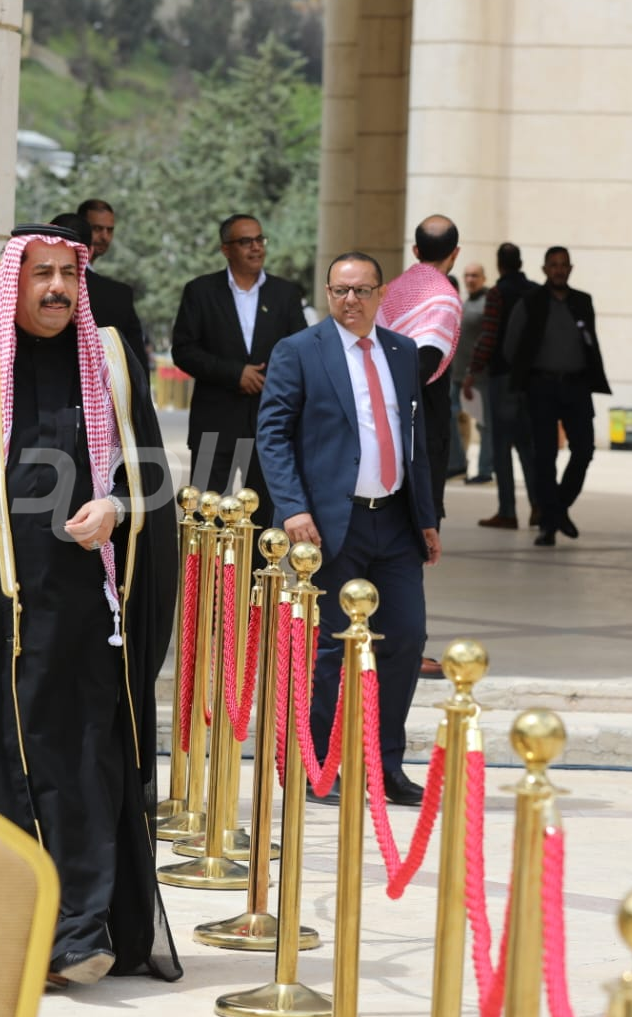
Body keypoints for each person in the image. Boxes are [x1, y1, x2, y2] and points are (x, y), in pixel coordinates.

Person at [0, 224, 180, 986]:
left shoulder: (110, 363)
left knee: (85, 765)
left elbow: (149, 476)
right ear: (12, 281)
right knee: (7, 770)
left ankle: (80, 931)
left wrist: (117, 507)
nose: (56, 288)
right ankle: (17, 931)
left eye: (68, 276)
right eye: (41, 274)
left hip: (87, 617)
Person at [257, 251, 440, 808]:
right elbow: (273, 434)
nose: (351, 300)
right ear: (328, 293)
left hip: (397, 522)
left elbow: (416, 440)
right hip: (330, 525)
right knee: (329, 649)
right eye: (340, 290)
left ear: (381, 294)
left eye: (361, 290)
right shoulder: (298, 351)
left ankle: (385, 767)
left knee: (405, 639)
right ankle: (320, 767)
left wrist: (427, 517)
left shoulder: (402, 352)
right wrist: (293, 508)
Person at [171, 213, 307, 530]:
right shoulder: (200, 291)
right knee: (205, 514)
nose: (256, 247)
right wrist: (235, 374)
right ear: (226, 249)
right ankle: (205, 566)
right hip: (213, 424)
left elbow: (299, 351)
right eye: (246, 241)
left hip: (269, 425)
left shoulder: (285, 294)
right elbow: (184, 350)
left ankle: (255, 567)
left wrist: (270, 380)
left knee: (263, 519)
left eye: (260, 240)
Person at [504, 246, 612, 546]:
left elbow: (590, 342)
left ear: (570, 269)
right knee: (545, 456)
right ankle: (549, 525)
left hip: (576, 386)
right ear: (544, 269)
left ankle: (557, 509)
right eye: (553, 265)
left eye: (564, 265)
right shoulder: (531, 301)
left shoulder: (582, 301)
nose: (559, 270)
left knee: (584, 450)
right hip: (541, 386)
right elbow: (511, 346)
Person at [377, 214, 463, 524]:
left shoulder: (389, 291)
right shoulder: (445, 297)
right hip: (423, 419)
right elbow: (425, 363)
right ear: (455, 253)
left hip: (379, 411)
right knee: (420, 520)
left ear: (416, 250)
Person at [463, 243, 539, 529]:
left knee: (501, 446)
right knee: (528, 447)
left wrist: (473, 371)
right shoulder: (535, 292)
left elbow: (489, 336)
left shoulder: (497, 294)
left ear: (499, 264)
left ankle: (507, 511)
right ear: (520, 262)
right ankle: (538, 506)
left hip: (502, 377)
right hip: (531, 380)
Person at [52, 211, 148, 374]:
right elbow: (138, 372)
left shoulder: (28, 289)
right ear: (89, 251)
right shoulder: (119, 296)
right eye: (98, 228)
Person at [456, 261, 492, 484]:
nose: (470, 280)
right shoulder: (466, 303)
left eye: (475, 276)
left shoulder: (487, 303)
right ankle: (458, 466)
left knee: (484, 424)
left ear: (483, 278)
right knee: (454, 420)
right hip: (457, 375)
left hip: (479, 376)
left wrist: (475, 370)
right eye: (467, 275)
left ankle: (485, 470)